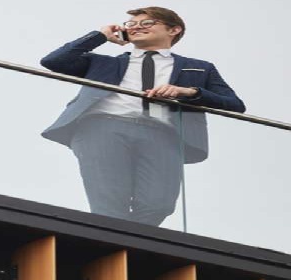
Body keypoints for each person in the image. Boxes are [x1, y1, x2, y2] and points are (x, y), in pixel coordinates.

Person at [39, 6, 246, 226]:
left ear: (174, 30)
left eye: (147, 23)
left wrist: (189, 92)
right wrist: (99, 36)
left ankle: (127, 244)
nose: (137, 27)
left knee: (159, 204)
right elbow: (54, 62)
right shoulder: (105, 63)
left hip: (163, 135)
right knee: (108, 202)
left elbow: (235, 105)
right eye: (131, 24)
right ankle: (116, 251)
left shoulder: (199, 68)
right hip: (103, 128)